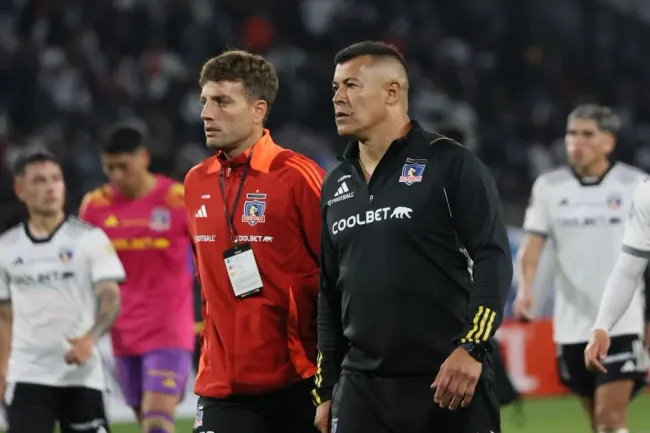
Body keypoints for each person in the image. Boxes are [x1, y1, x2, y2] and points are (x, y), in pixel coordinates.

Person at [313, 40, 512, 433]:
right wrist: (326, 389)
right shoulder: (335, 183)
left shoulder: (450, 164)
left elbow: (493, 257)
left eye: (351, 85)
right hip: (361, 389)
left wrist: (472, 347)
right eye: (335, 88)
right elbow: (330, 292)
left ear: (392, 92)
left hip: (447, 380)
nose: (338, 97)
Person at [184, 49, 324, 433]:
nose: (206, 114)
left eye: (222, 101)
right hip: (222, 386)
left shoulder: (298, 177)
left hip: (297, 380)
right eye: (204, 101)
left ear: (258, 110)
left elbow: (339, 275)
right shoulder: (195, 181)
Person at [514, 104, 648, 433]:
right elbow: (533, 245)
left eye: (588, 134)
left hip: (623, 322)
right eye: (572, 133)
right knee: (596, 422)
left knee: (609, 421)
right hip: (571, 326)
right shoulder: (549, 186)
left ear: (609, 142)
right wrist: (526, 288)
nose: (577, 141)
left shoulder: (635, 184)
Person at [79, 122, 194, 433]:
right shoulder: (95, 206)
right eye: (109, 168)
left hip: (170, 330)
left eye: (123, 166)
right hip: (122, 334)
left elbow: (208, 255)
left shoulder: (177, 199)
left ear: (144, 158)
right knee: (145, 421)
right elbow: (81, 268)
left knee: (158, 422)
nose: (116, 176)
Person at [0, 149, 125, 432]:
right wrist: (2, 368)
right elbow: (4, 317)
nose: (50, 187)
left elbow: (110, 298)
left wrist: (89, 340)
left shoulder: (89, 239)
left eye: (55, 179)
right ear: (20, 190)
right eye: (40, 181)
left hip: (81, 375)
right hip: (28, 374)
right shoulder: (6, 248)